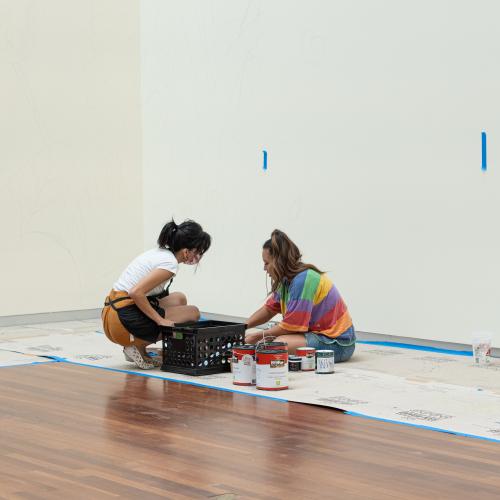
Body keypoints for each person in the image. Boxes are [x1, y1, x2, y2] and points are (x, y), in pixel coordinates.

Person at [102, 219, 210, 369]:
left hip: (113, 312)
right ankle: (136, 345)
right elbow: (136, 292)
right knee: (193, 313)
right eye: (197, 251)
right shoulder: (169, 264)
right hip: (121, 321)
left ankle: (137, 344)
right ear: (186, 251)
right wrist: (160, 320)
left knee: (180, 298)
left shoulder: (161, 253)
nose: (197, 256)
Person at [245, 230, 355, 362]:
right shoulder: (286, 280)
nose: (264, 268)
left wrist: (257, 335)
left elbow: (291, 326)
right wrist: (241, 328)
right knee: (268, 342)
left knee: (272, 345)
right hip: (317, 335)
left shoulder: (303, 280)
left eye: (267, 263)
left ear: (279, 261)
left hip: (338, 344)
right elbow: (269, 310)